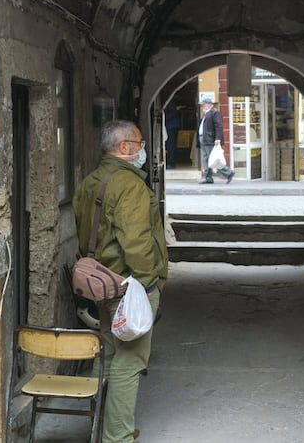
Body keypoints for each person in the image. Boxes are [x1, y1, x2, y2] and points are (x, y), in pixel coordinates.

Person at [72, 120, 168, 443]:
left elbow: (86, 233)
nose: (143, 150)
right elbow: (137, 243)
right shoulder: (130, 187)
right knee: (130, 361)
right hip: (129, 288)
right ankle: (119, 437)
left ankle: (107, 428)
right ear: (124, 148)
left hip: (101, 286)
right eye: (139, 144)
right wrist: (149, 284)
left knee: (111, 357)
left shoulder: (89, 182)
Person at [196, 97, 234, 184]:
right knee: (206, 159)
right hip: (204, 138)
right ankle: (208, 178)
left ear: (208, 105)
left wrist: (218, 138)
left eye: (203, 105)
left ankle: (228, 172)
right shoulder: (206, 114)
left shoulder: (214, 113)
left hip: (209, 139)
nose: (202, 107)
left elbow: (218, 126)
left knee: (213, 159)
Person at [164, 103, 181, 169]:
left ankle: (171, 162)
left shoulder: (169, 102)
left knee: (171, 145)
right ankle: (170, 162)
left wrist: (163, 117)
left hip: (171, 126)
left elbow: (173, 113)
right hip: (169, 126)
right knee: (169, 145)